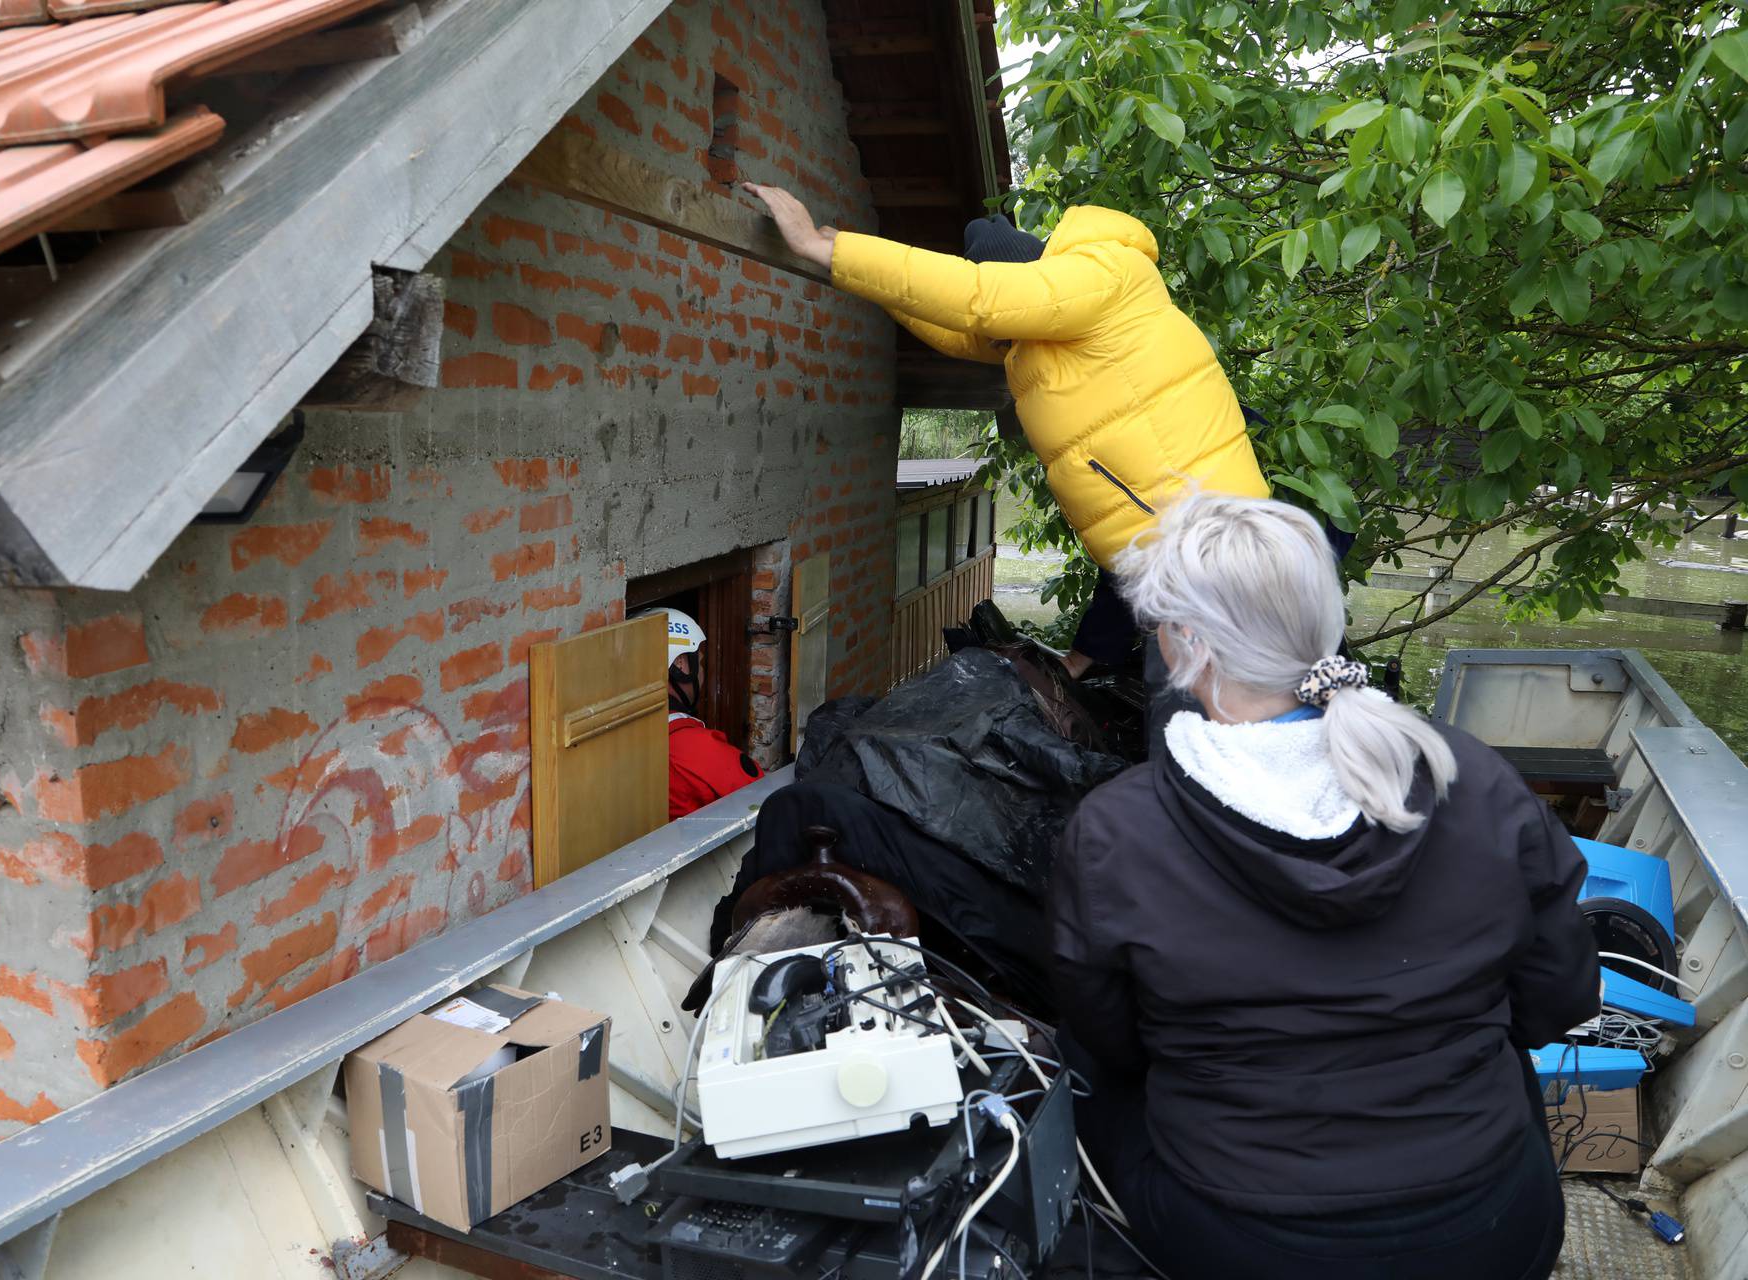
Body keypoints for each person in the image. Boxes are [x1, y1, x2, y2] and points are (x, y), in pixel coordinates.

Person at [1046, 491, 1599, 1280]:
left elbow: (1111, 1039)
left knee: (1077, 1066)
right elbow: (1561, 998)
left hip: (1244, 1240)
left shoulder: (1116, 831)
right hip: (1492, 1226)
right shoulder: (1472, 776)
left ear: (1186, 645)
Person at [743, 186, 1271, 680]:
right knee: (1213, 747)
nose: (998, 336)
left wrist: (815, 244)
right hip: (1182, 568)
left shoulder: (1104, 273)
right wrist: (855, 268)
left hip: (1222, 568)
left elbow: (975, 299)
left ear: (1024, 282)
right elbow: (961, 331)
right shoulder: (1046, 335)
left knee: (1223, 752)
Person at [633, 607, 763, 819]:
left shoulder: (619, 742)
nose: (702, 671)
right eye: (699, 662)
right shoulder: (695, 747)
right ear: (680, 664)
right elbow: (759, 797)